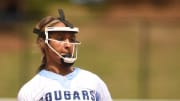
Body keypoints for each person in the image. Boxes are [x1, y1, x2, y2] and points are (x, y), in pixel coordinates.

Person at [17, 9, 112, 101]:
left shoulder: (93, 82)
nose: (68, 45)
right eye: (60, 38)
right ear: (43, 43)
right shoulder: (31, 90)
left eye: (71, 39)